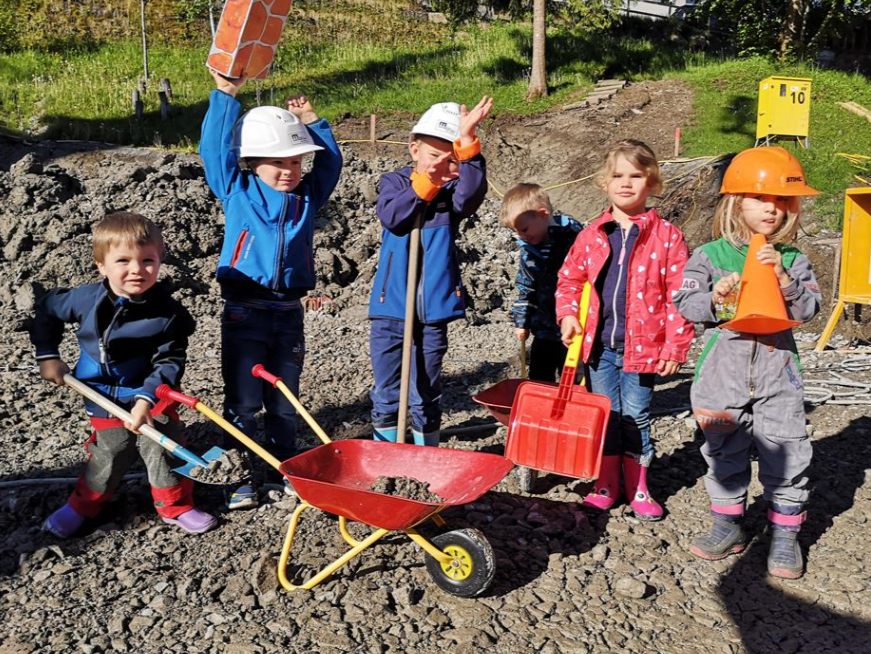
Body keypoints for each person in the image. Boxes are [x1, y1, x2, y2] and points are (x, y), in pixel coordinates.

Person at [673, 146, 821, 579]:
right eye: (761, 200)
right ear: (737, 202)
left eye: (781, 202)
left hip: (779, 374)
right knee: (722, 449)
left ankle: (785, 535)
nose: (771, 210)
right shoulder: (709, 256)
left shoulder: (793, 259)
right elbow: (684, 301)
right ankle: (727, 524)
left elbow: (808, 308)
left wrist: (784, 279)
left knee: (789, 449)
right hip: (722, 376)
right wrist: (716, 298)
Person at [200, 71, 342, 509]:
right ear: (252, 162)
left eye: (297, 163)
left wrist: (315, 122)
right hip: (244, 310)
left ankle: (284, 469)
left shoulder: (306, 198)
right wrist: (225, 96)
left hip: (288, 311)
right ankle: (237, 477)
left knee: (284, 397)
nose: (289, 172)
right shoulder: (237, 191)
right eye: (279, 163)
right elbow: (213, 150)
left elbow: (331, 164)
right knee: (243, 401)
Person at [32, 212, 216, 538]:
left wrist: (146, 399)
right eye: (123, 261)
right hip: (100, 394)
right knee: (111, 452)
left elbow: (169, 362)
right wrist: (49, 355)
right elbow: (46, 309)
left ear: (160, 262)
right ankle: (83, 505)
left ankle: (176, 506)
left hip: (151, 393)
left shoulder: (168, 314)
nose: (136, 270)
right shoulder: (85, 300)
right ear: (101, 265)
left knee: (163, 447)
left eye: (148, 260)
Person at [555, 139, 692, 520]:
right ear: (604, 182)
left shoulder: (667, 236)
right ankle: (606, 482)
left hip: (644, 349)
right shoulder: (592, 235)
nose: (626, 183)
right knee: (606, 415)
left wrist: (674, 347)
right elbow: (569, 280)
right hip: (599, 349)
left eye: (636, 175)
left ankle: (639, 485)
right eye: (618, 175)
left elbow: (679, 297)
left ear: (652, 183)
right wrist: (568, 316)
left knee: (637, 416)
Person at [368, 97, 493, 446]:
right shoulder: (394, 182)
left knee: (425, 388)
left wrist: (467, 143)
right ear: (414, 149)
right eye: (434, 155)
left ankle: (427, 455)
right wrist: (425, 186)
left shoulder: (453, 195)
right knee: (388, 388)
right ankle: (386, 453)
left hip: (433, 310)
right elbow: (393, 217)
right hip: (390, 308)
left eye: (451, 159)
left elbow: (471, 195)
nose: (442, 165)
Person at [500, 183, 582, 381]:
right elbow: (526, 287)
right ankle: (540, 408)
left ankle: (570, 408)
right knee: (539, 374)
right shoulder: (529, 251)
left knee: (571, 375)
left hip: (573, 326)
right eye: (517, 231)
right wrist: (522, 322)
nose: (521, 236)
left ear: (543, 214)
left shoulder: (577, 240)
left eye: (524, 229)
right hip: (543, 326)